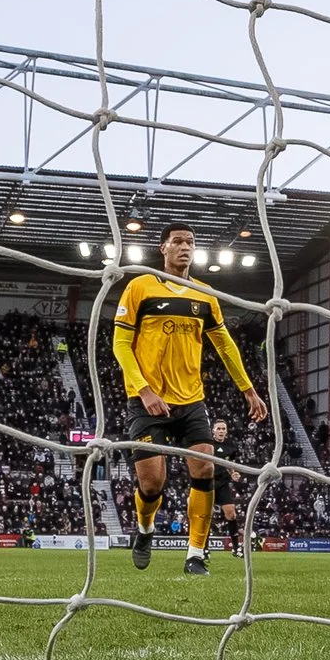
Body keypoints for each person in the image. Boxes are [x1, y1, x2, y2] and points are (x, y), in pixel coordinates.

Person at [112, 224, 268, 576]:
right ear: (163, 248)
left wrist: (248, 389)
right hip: (146, 401)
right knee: (152, 484)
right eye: (178, 242)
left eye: (190, 243)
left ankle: (195, 554)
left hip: (191, 400)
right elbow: (120, 344)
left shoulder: (204, 294)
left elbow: (224, 344)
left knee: (205, 470)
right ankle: (145, 529)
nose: (185, 247)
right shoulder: (139, 287)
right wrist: (144, 389)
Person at [209, 419, 248, 558]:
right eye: (218, 428)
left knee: (231, 514)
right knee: (206, 516)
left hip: (223, 483)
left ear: (226, 431)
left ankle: (236, 548)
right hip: (209, 482)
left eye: (223, 429)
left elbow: (230, 463)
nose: (221, 431)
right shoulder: (208, 444)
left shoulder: (230, 445)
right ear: (213, 430)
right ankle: (203, 548)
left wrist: (233, 473)